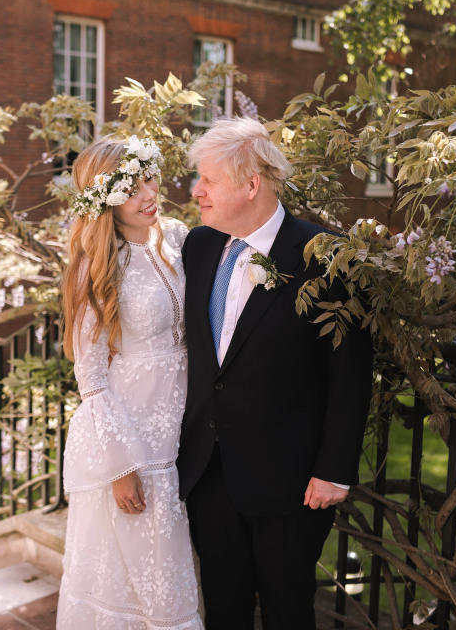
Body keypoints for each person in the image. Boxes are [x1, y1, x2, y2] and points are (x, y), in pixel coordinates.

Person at [177, 117, 373, 629]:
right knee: (223, 606)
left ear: (251, 185)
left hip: (291, 481)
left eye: (208, 181)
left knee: (288, 608)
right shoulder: (198, 247)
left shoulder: (326, 257)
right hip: (208, 471)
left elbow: (350, 372)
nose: (197, 192)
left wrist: (335, 469)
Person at [56, 136, 203, 630]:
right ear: (104, 200)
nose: (148, 193)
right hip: (134, 436)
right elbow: (92, 377)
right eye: (131, 186)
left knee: (177, 560)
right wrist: (120, 465)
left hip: (188, 420)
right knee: (142, 570)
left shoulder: (178, 237)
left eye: (149, 177)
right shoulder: (98, 266)